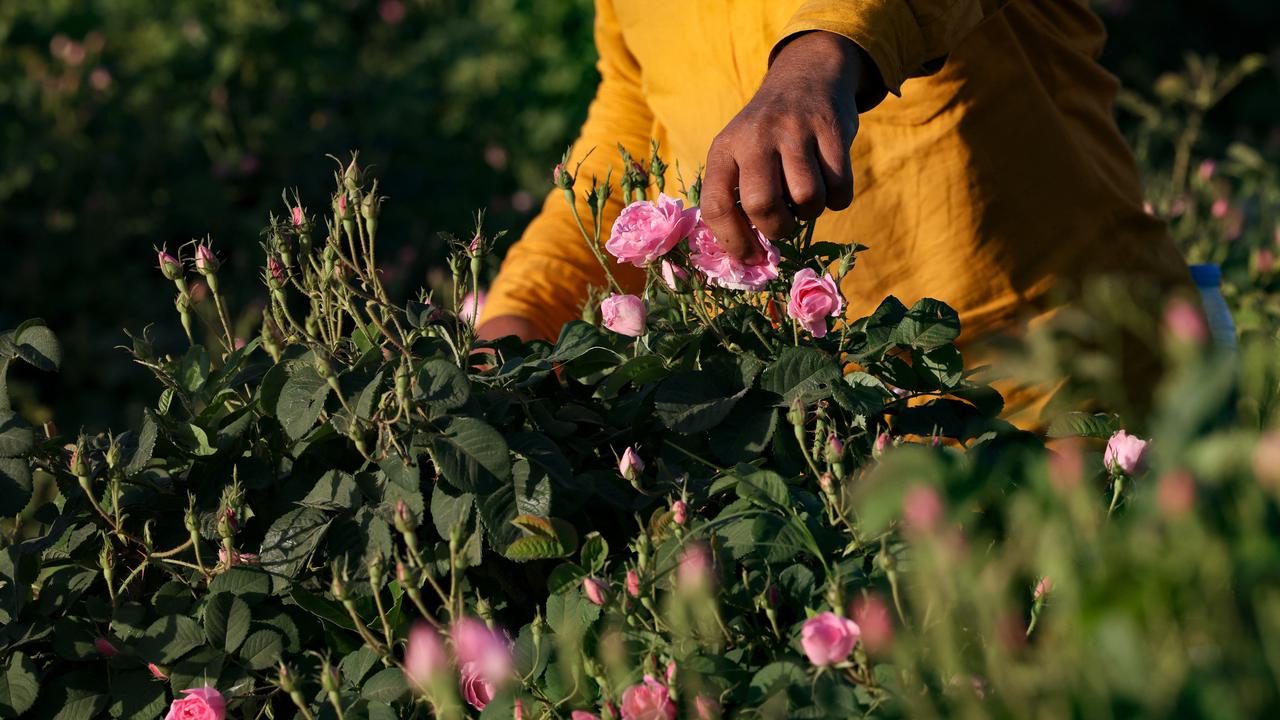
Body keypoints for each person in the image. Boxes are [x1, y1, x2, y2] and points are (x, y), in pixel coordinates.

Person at [477, 0, 1191, 422]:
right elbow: (637, 120)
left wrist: (817, 58)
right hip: (820, 437)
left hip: (1051, 393)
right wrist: (523, 317)